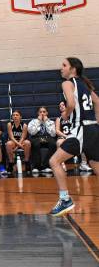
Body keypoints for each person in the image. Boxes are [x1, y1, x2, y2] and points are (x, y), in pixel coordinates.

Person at [49, 57, 99, 216]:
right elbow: (98, 102)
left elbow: (70, 103)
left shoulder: (67, 83)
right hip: (93, 130)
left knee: (54, 161)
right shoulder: (85, 85)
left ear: (73, 69)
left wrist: (65, 115)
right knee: (96, 166)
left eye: (64, 65)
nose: (61, 68)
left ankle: (65, 199)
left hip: (81, 129)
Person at [28, 107, 57, 175]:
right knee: (36, 144)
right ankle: (36, 167)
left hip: (48, 137)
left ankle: (46, 166)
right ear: (38, 113)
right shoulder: (33, 121)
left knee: (53, 144)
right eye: (40, 112)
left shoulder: (51, 122)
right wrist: (38, 121)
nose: (42, 113)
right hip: (36, 137)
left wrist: (46, 122)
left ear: (47, 113)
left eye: (44, 112)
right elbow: (32, 132)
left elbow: (53, 134)